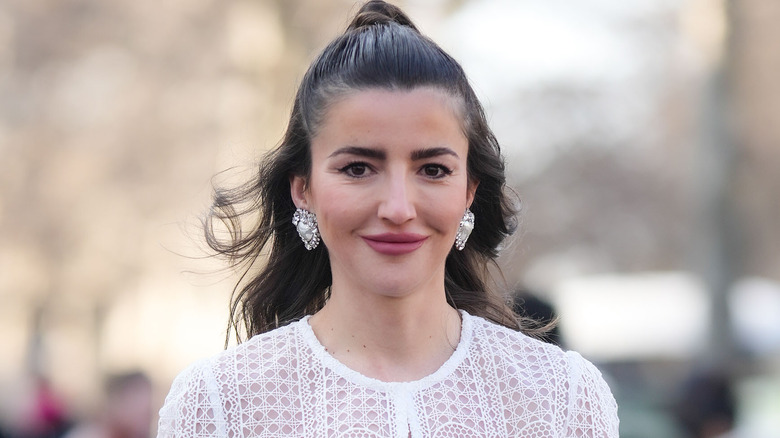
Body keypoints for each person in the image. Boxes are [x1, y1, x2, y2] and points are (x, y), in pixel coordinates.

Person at [157, 1, 619, 437]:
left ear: (469, 192)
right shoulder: (219, 405)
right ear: (303, 188)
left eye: (433, 170)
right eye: (358, 168)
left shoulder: (562, 396)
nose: (398, 208)